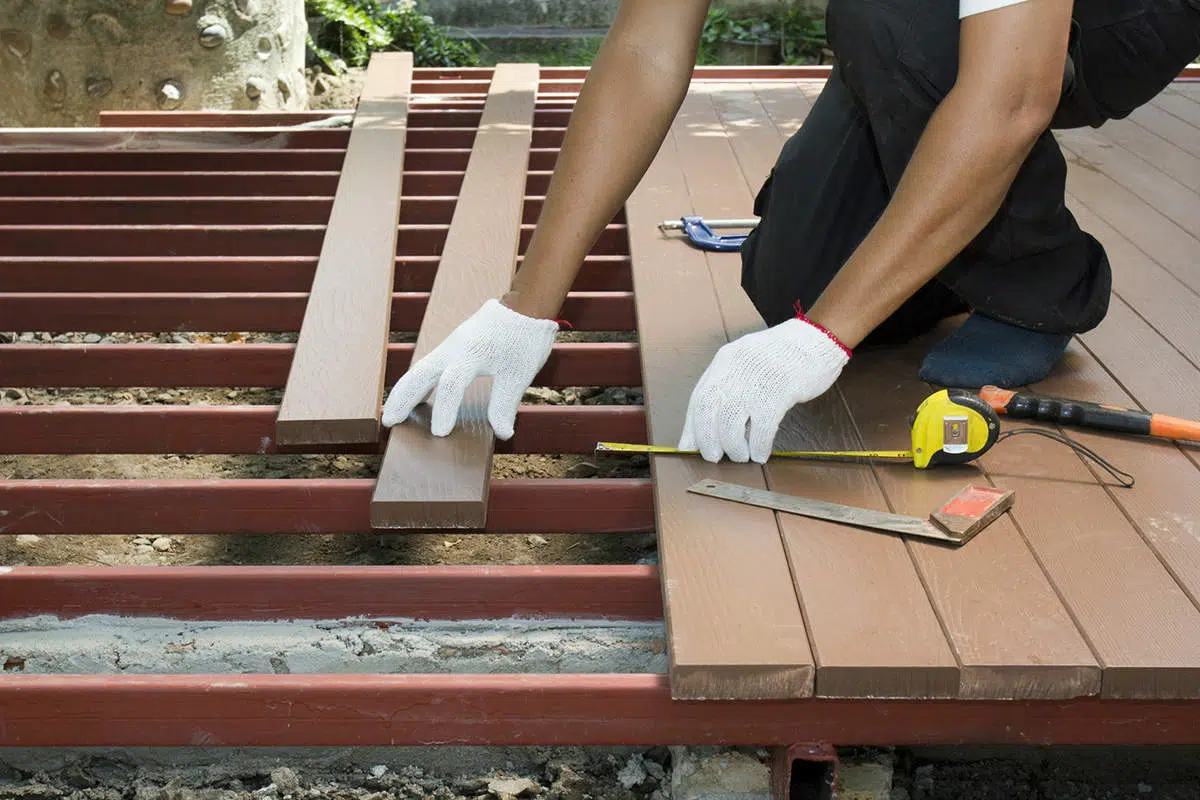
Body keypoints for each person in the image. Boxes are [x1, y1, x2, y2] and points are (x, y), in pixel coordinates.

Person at [381, 0, 1200, 464]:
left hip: (1113, 18)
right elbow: (646, 49)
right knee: (789, 287)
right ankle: (946, 251)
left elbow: (1013, 98)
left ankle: (1039, 285)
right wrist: (527, 305)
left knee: (890, 19)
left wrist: (825, 340)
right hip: (923, 28)